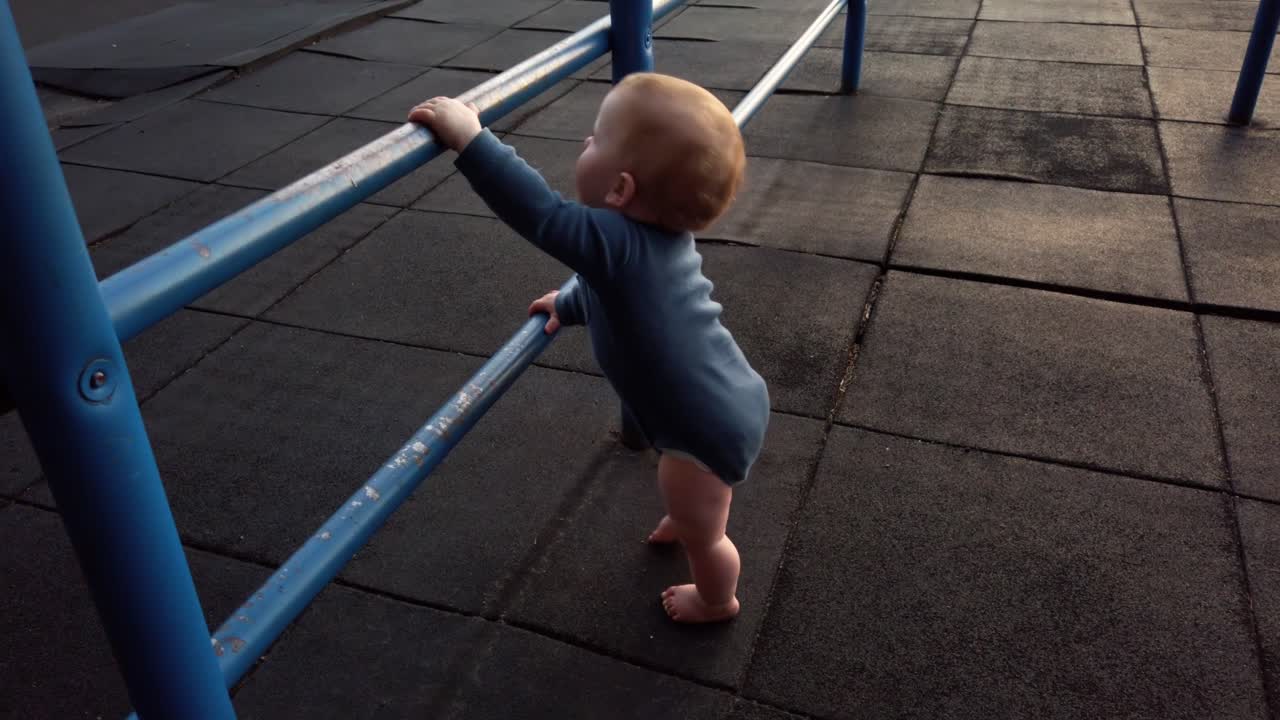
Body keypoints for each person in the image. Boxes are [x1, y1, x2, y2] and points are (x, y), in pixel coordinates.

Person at [409, 73, 769, 623]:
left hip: (702, 426)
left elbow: (541, 215)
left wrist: (472, 140)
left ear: (621, 189)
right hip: (723, 398)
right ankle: (694, 511)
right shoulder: (655, 241)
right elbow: (626, 299)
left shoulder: (618, 243)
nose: (585, 143)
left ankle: (718, 598)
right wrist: (571, 304)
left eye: (596, 138)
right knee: (697, 497)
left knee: (708, 537)